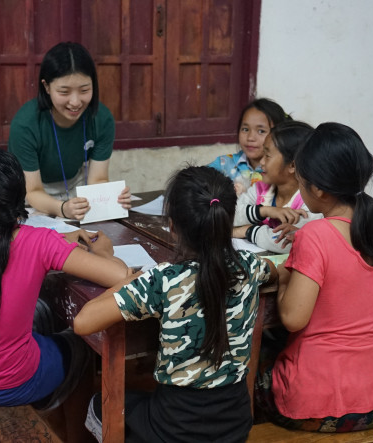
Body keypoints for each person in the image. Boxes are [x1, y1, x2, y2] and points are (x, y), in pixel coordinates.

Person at [73, 165, 278, 443]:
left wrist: (128, 280)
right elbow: (277, 272)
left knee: (100, 404)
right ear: (226, 222)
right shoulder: (250, 267)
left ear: (172, 226)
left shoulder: (163, 280)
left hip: (174, 431)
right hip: (235, 426)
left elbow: (83, 322)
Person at [0, 147, 131, 435]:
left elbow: (7, 241)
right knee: (83, 346)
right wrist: (104, 251)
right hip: (10, 382)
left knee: (42, 324)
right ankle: (75, 435)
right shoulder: (39, 243)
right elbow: (120, 275)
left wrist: (58, 240)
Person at [257, 123, 373, 432]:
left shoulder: (315, 235)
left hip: (320, 405)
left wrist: (284, 277)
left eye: (301, 178)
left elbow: (294, 319)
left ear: (319, 189)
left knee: (254, 360)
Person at [8, 41, 131, 220]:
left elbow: (97, 180)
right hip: (31, 196)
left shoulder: (101, 119)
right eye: (64, 92)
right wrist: (62, 208)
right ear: (47, 87)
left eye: (84, 90)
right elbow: (32, 190)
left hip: (74, 190)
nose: (75, 102)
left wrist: (114, 198)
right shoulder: (26, 124)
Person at [232, 121, 322, 254]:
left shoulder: (310, 203)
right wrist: (264, 211)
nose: (261, 162)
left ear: (292, 165)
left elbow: (286, 242)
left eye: (267, 156)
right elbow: (231, 214)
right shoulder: (261, 189)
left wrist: (246, 230)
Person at [208, 98, 290, 195]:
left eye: (261, 131)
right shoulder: (224, 164)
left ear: (278, 135)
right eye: (245, 129)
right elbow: (195, 182)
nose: (250, 138)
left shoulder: (279, 173)